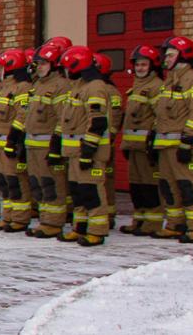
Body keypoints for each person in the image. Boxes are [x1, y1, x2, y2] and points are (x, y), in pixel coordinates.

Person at [57, 47, 118, 246]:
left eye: (66, 67)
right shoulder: (80, 87)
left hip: (88, 151)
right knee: (78, 191)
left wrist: (88, 150)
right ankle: (80, 227)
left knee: (91, 191)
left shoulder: (95, 87)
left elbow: (98, 122)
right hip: (75, 151)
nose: (65, 71)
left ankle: (97, 231)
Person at [152, 35, 193, 243]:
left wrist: (188, 141)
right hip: (165, 145)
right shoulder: (171, 79)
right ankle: (175, 225)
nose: (165, 59)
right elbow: (162, 113)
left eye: (170, 55)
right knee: (169, 186)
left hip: (183, 144)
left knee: (188, 185)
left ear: (183, 55)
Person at [21, 43, 72, 238]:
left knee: (52, 185)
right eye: (38, 63)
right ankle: (45, 219)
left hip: (47, 145)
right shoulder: (37, 85)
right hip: (32, 144)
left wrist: (56, 143)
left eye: (44, 63)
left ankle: (53, 223)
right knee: (38, 183)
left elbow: (62, 117)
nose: (40, 67)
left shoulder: (60, 86)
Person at [120, 44, 166, 236]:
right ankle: (139, 219)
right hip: (133, 147)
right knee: (136, 186)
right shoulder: (136, 88)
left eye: (144, 64)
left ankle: (153, 223)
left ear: (153, 66)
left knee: (149, 185)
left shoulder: (156, 87)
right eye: (137, 64)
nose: (140, 68)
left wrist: (153, 141)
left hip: (146, 147)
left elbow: (160, 116)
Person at [0, 49, 37, 233]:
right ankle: (9, 215)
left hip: (11, 142)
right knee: (4, 181)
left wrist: (13, 139)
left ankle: (20, 218)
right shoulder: (5, 88)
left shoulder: (23, 87)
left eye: (3, 67)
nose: (0, 71)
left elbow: (22, 114)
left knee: (16, 181)